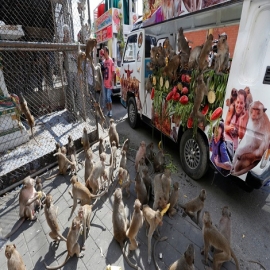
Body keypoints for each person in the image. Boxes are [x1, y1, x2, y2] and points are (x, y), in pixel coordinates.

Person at [103, 46, 115, 118]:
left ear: (107, 52)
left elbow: (113, 72)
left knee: (108, 97)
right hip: (105, 83)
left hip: (109, 83)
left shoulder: (111, 61)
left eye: (104, 52)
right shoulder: (104, 62)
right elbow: (103, 71)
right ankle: (108, 111)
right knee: (106, 99)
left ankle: (111, 111)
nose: (103, 53)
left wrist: (111, 80)